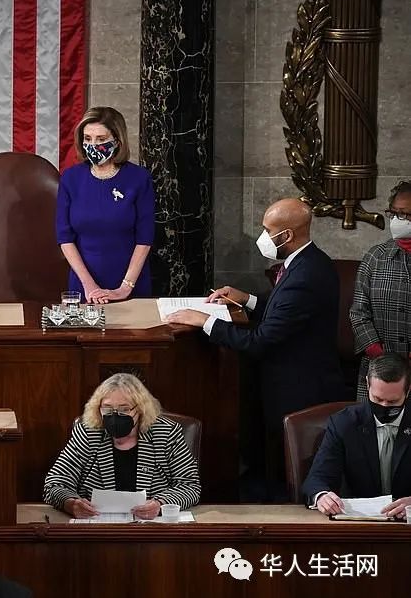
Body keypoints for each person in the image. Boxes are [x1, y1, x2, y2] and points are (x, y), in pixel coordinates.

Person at [168, 198, 345, 500]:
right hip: (291, 379)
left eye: (267, 230)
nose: (262, 237)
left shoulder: (306, 276)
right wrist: (247, 299)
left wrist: (206, 321)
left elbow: (261, 340)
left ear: (286, 236)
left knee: (284, 469)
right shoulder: (307, 261)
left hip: (299, 387)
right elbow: (282, 311)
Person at [43, 373, 200, 518]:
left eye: (124, 409)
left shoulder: (165, 433)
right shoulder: (88, 432)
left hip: (151, 528)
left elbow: (190, 486)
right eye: (108, 408)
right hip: (98, 527)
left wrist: (160, 504)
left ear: (140, 410)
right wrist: (71, 504)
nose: (115, 415)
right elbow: (55, 483)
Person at [56, 106, 155, 304]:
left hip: (130, 284)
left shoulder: (139, 178)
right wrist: (89, 286)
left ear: (117, 141)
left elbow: (145, 239)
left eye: (101, 139)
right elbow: (65, 238)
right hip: (83, 285)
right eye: (87, 139)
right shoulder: (70, 178)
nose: (93, 145)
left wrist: (125, 288)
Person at [303, 353, 411, 518]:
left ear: (408, 390)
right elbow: (317, 478)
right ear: (367, 384)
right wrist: (322, 496)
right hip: (358, 525)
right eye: (377, 399)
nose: (384, 406)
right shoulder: (343, 423)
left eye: (393, 402)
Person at [350, 180, 411, 401]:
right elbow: (358, 312)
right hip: (378, 371)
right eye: (393, 213)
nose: (396, 221)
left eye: (404, 215)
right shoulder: (376, 257)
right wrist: (377, 352)